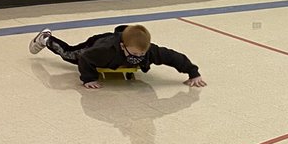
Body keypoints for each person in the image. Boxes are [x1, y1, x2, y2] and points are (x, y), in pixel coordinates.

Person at [29, 23, 206, 90]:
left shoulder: (149, 50)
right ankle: (46, 39)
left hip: (117, 55)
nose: (140, 56)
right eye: (135, 54)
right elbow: (85, 59)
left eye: (142, 54)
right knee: (70, 54)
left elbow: (173, 57)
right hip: (96, 45)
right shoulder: (104, 50)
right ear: (123, 46)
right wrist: (88, 78)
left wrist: (193, 72)